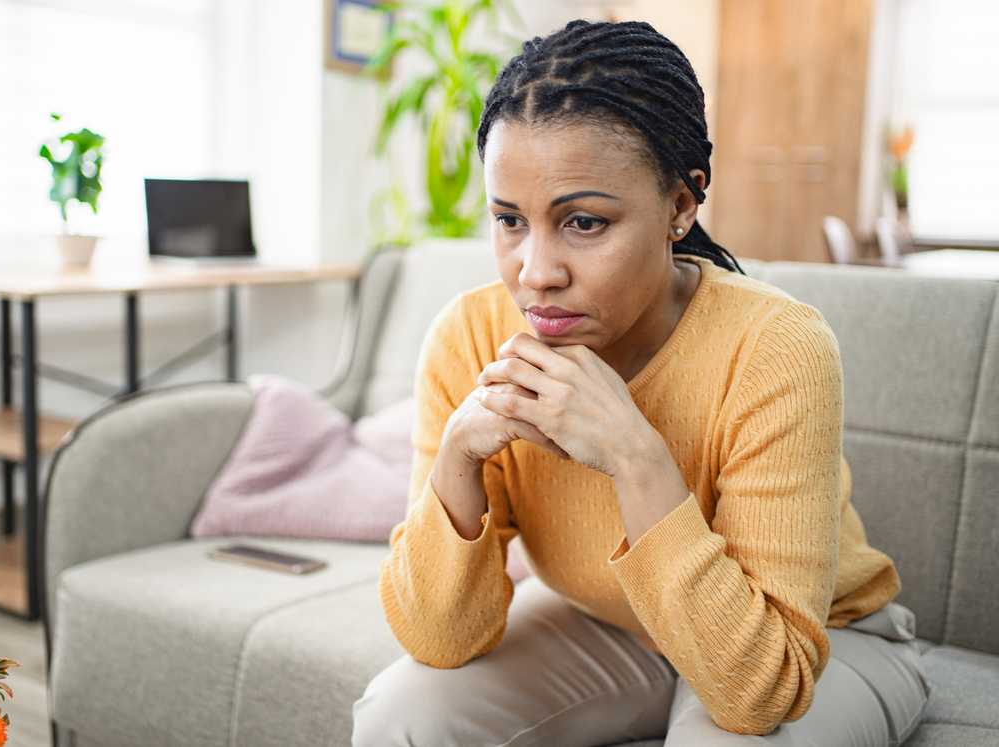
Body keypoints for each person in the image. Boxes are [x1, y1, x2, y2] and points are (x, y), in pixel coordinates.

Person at [352, 18, 930, 746]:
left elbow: (760, 689)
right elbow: (439, 639)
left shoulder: (777, 346)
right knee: (401, 716)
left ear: (682, 206)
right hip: (617, 622)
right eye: (509, 219)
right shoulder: (466, 336)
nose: (535, 272)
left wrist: (632, 452)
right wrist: (456, 462)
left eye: (584, 222)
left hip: (818, 643)